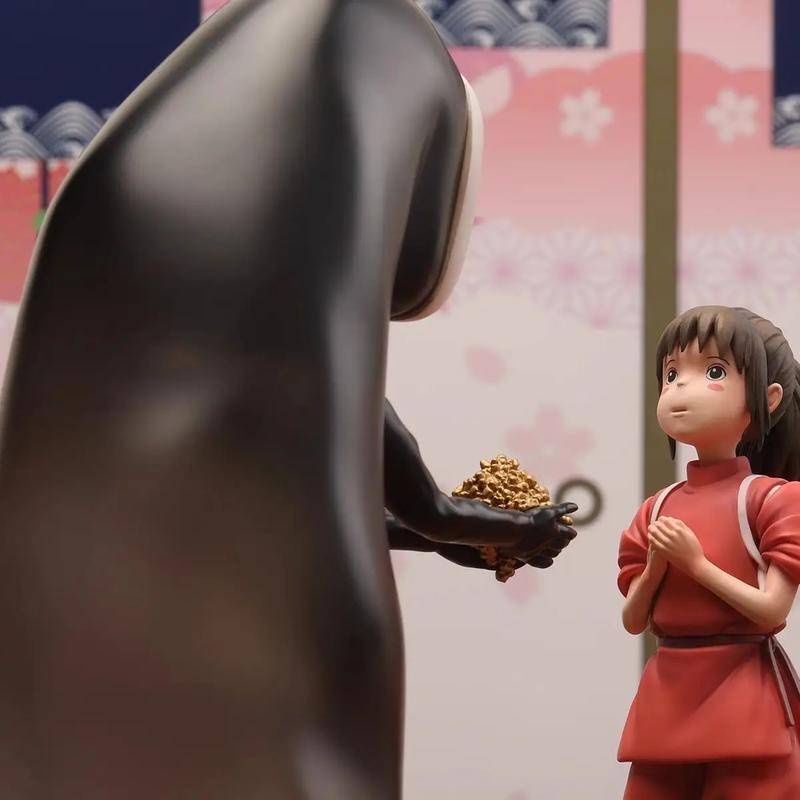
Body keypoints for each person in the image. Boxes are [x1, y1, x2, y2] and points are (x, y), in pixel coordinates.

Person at [618, 305, 800, 799]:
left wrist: (696, 565)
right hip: (667, 693)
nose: (681, 385)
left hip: (745, 694)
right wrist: (656, 568)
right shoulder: (656, 509)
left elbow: (771, 612)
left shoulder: (772, 500)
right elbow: (633, 620)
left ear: (767, 399)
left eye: (714, 372)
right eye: (671, 373)